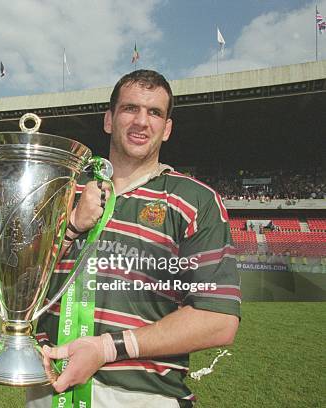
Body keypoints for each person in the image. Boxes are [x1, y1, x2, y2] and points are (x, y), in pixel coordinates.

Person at [27, 70, 241, 407]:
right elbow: (17, 283)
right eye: (130, 109)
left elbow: (218, 320)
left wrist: (106, 348)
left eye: (155, 112)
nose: (142, 121)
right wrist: (71, 226)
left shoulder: (195, 201)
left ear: (167, 128)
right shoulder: (62, 189)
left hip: (144, 395)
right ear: (109, 120)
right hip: (50, 385)